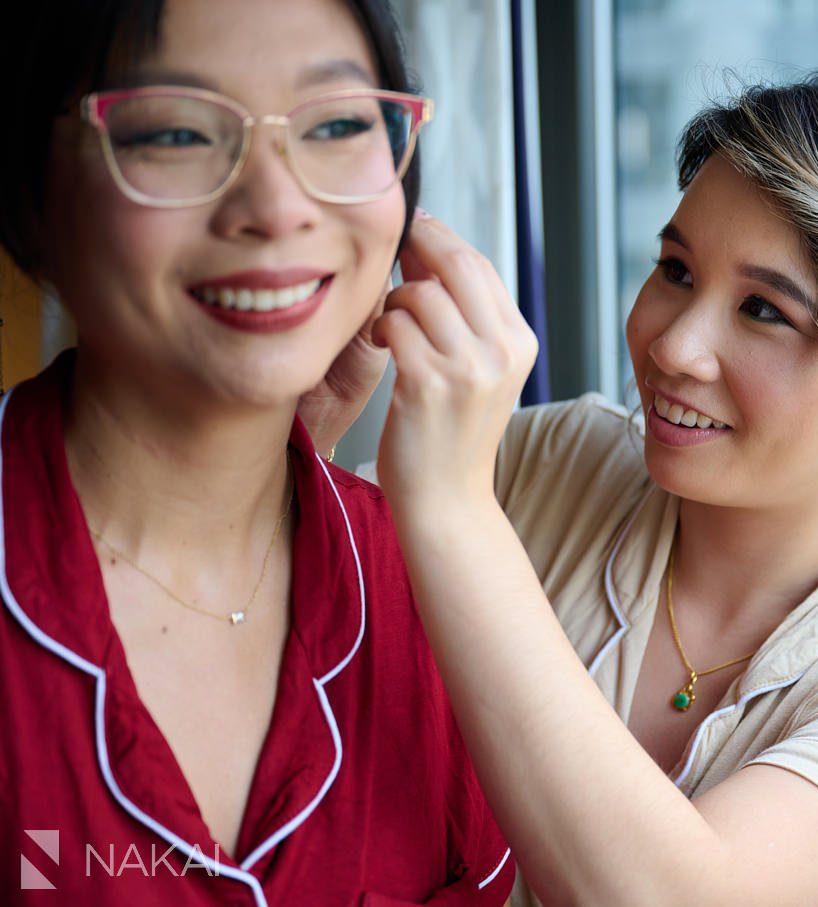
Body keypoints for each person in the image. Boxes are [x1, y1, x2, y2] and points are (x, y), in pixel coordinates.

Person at [353, 69, 818, 906]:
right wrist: (321, 421)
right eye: (676, 269)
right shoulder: (547, 460)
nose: (674, 346)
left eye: (765, 311)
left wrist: (451, 508)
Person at [0, 1, 514, 904]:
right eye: (176, 132)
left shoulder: (432, 589)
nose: (276, 208)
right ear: (33, 199)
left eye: (340, 124)